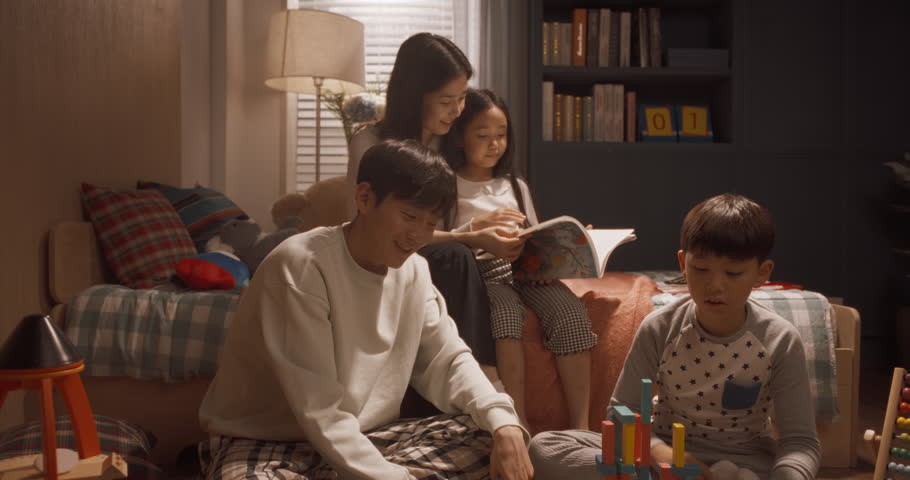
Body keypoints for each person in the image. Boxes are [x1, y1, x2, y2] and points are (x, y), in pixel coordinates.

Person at [198, 140, 533, 480]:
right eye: (409, 216)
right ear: (364, 198)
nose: (418, 235)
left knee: (488, 438)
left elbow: (447, 360)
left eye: (430, 224)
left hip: (368, 439)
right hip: (267, 443)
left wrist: (503, 422)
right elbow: (320, 410)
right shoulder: (301, 265)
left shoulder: (413, 270)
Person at [528, 193, 821, 480]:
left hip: (746, 464)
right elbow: (621, 415)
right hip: (662, 457)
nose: (715, 285)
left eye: (733, 273)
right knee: (544, 448)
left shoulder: (780, 339)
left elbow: (800, 442)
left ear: (762, 273)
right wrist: (666, 456)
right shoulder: (660, 327)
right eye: (701, 269)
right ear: (683, 263)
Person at [345, 32, 522, 379]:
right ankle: (483, 376)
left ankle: (475, 379)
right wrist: (469, 237)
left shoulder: (449, 143)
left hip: (442, 252)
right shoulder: (370, 142)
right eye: (446, 100)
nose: (457, 111)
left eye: (460, 99)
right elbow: (366, 228)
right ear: (416, 95)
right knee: (457, 256)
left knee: (472, 260)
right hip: (382, 253)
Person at [441, 88, 597, 430]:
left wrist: (558, 250)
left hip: (525, 269)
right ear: (460, 137)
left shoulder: (514, 183)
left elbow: (534, 230)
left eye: (501, 135)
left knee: (571, 313)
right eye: (483, 136)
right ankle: (518, 420)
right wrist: (475, 230)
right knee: (506, 316)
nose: (494, 144)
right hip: (482, 272)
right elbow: (444, 242)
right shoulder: (449, 185)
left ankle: (582, 426)